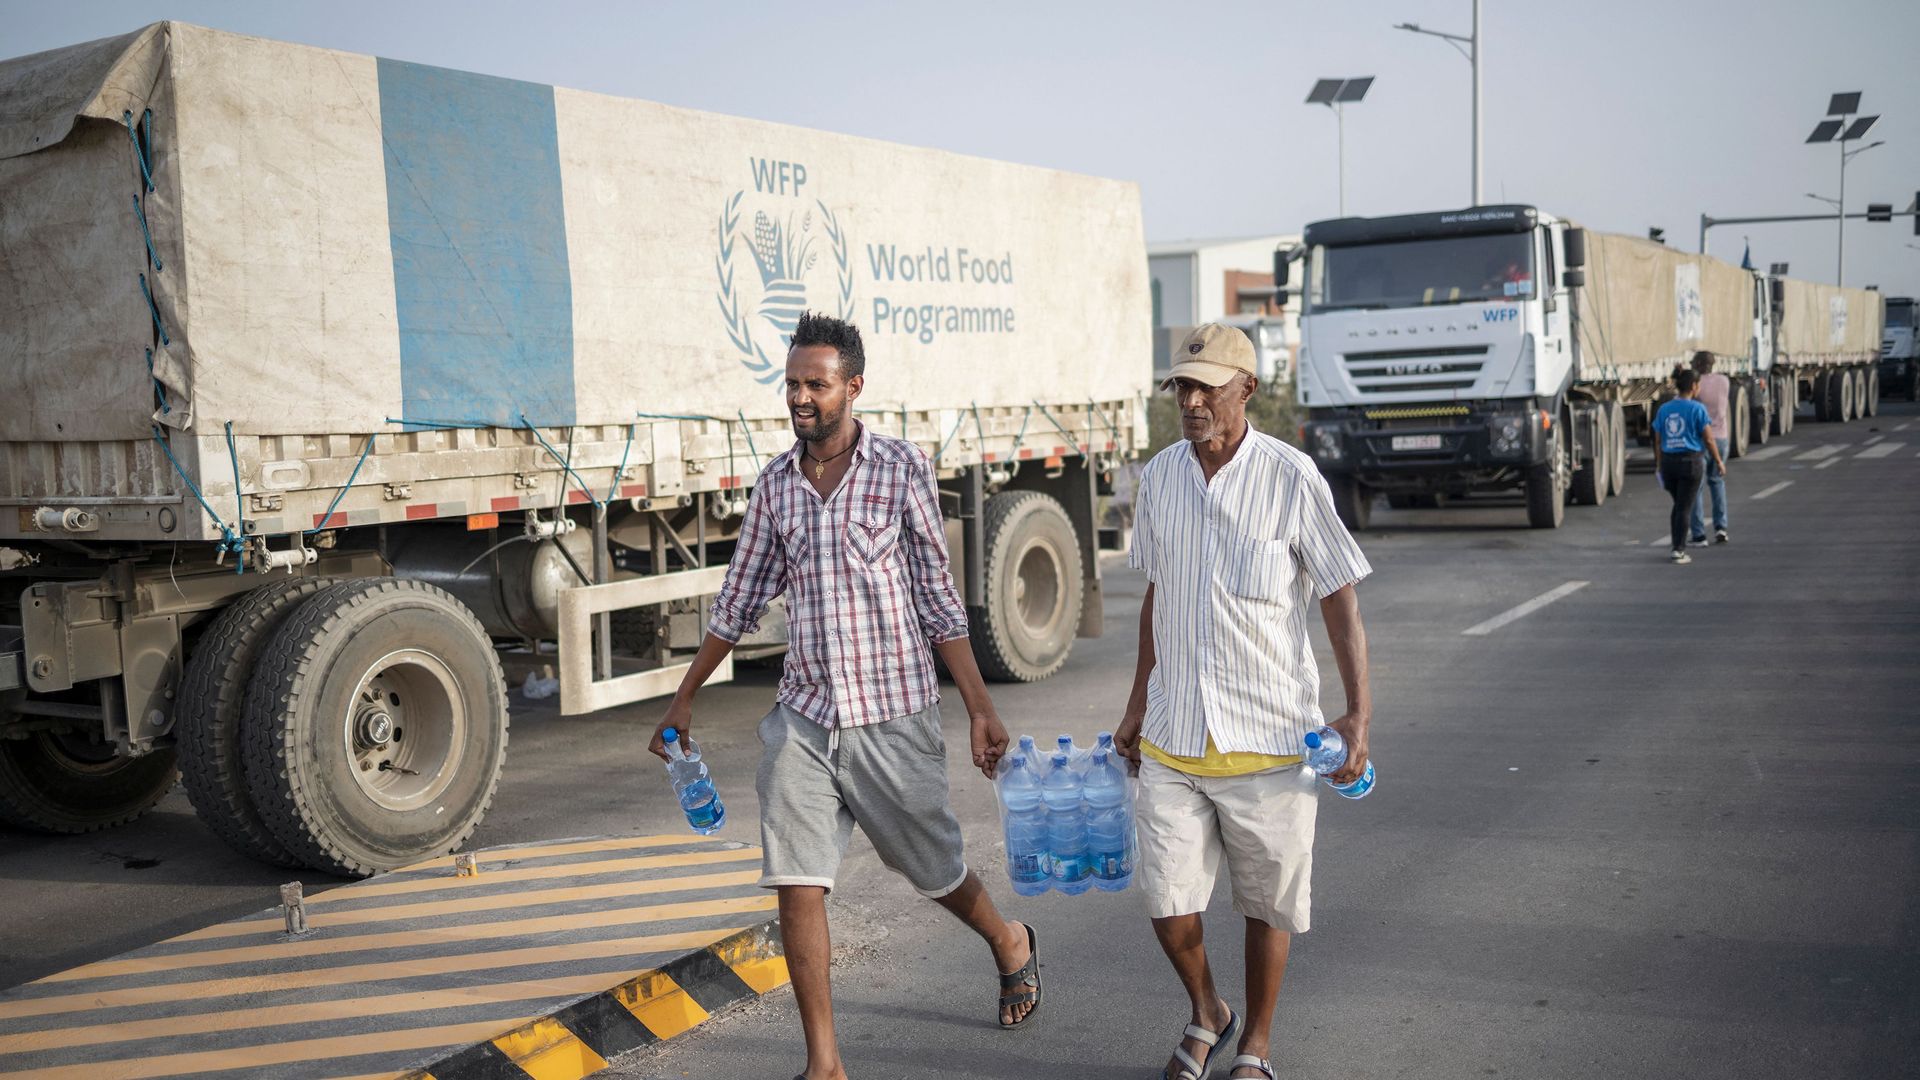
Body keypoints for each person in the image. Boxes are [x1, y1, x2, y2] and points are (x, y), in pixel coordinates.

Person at [649, 312, 1038, 1080]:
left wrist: (979, 707)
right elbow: (739, 598)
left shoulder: (900, 470)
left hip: (893, 713)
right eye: (792, 383)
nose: (799, 397)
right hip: (805, 716)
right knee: (796, 878)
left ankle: (1008, 939)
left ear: (853, 388)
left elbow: (937, 598)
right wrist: (683, 697)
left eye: (815, 385)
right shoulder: (775, 486)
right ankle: (823, 1064)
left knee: (933, 867)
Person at [1114, 323, 1375, 1080]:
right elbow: (1157, 598)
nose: (1190, 401)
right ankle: (1209, 1010)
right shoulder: (1160, 477)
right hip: (1173, 735)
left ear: (1246, 389)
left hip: (1269, 739)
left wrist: (1358, 712)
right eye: (1181, 387)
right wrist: (1136, 704)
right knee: (1167, 901)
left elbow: (1338, 599)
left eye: (1206, 386)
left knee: (1268, 907)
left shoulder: (1292, 478)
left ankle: (1255, 1045)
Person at [1653, 368, 1724, 564]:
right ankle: (1678, 549)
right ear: (1694, 386)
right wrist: (1718, 461)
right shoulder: (1697, 409)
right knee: (1684, 507)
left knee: (1679, 505)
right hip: (1690, 462)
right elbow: (1709, 439)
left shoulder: (1664, 409)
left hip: (1668, 464)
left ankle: (1677, 544)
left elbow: (1658, 440)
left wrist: (1659, 465)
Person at [1689, 351, 1732, 544]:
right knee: (1717, 482)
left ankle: (1698, 533)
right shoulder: (1724, 381)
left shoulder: (1697, 386)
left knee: (1696, 487)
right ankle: (1721, 527)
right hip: (1721, 438)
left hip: (1701, 439)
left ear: (1697, 365)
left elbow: (1689, 398)